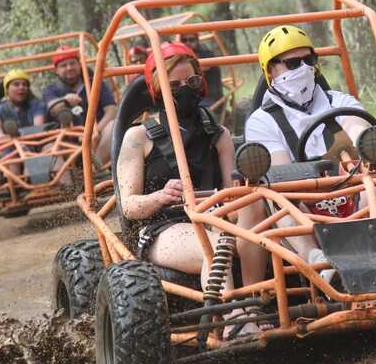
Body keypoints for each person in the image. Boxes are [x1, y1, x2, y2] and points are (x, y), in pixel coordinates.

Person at [238, 25, 376, 285]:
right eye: (292, 63)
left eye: (309, 60)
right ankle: (319, 263)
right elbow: (279, 172)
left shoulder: (339, 101)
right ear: (270, 71)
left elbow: (359, 128)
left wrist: (366, 141)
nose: (303, 68)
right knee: (271, 185)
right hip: (301, 212)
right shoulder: (262, 121)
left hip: (358, 200)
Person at [115, 42, 267, 339]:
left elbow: (232, 190)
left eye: (192, 81)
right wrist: (161, 196)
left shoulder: (218, 134)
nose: (185, 89)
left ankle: (255, 305)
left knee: (256, 206)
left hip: (214, 214)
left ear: (202, 83)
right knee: (212, 245)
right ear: (158, 88)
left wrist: (236, 197)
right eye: (175, 85)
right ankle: (234, 314)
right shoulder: (138, 136)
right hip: (163, 226)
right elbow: (129, 206)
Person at [42, 45, 117, 165]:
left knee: (113, 125)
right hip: (67, 142)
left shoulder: (95, 83)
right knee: (48, 148)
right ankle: (66, 183)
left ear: (79, 64)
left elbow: (111, 110)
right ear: (56, 70)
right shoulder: (50, 90)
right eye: (63, 65)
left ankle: (95, 168)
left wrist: (95, 131)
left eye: (72, 63)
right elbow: (53, 108)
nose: (69, 68)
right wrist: (64, 101)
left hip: (98, 138)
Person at [0, 69, 47, 176]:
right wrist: (0, 136)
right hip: (10, 147)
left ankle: (68, 188)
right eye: (16, 84)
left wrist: (27, 138)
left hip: (33, 144)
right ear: (7, 89)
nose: (21, 87)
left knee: (50, 151)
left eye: (24, 84)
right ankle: (14, 188)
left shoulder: (36, 105)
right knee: (12, 160)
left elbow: (38, 126)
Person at [178, 33, 224, 108]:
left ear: (197, 40)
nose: (188, 43)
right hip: (195, 95)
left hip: (210, 94)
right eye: (184, 40)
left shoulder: (205, 53)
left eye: (191, 40)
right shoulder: (182, 55)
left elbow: (197, 70)